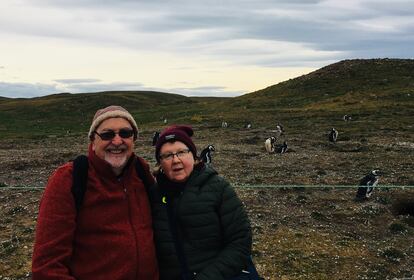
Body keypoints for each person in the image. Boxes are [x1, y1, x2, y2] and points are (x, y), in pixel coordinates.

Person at [32, 105, 158, 280]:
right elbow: (47, 267)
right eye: (107, 134)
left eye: (125, 133)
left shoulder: (142, 173)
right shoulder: (68, 179)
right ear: (92, 140)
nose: (117, 141)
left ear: (134, 139)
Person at [150, 125, 253, 280]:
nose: (176, 160)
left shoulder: (218, 187)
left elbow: (240, 241)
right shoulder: (153, 195)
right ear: (160, 163)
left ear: (194, 156)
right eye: (167, 155)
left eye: (181, 152)